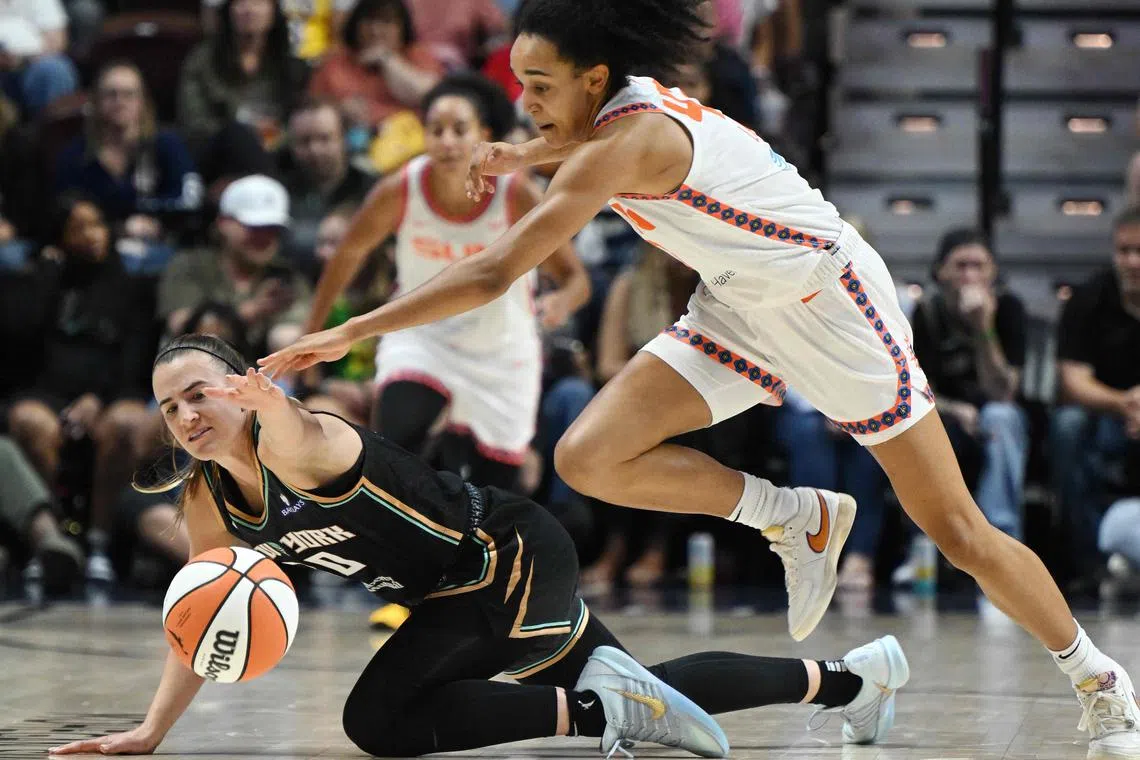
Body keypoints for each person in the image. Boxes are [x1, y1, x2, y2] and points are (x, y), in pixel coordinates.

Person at [259, 0, 1140, 753]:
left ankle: (1096, 676)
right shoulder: (613, 118)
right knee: (589, 455)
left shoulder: (631, 141)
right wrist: (525, 156)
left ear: (597, 78)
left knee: (957, 528)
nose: (524, 103)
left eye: (539, 88)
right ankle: (796, 517)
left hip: (829, 305)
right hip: (739, 304)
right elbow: (585, 150)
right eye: (520, 84)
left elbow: (498, 270)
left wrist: (354, 332)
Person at [47, 334, 908, 758]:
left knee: (376, 720)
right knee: (656, 691)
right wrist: (153, 731)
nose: (186, 417)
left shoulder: (293, 441)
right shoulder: (212, 503)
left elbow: (302, 426)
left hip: (507, 554)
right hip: (479, 588)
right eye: (169, 408)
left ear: (241, 389)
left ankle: (602, 714)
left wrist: (272, 401)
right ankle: (854, 680)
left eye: (199, 394)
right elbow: (202, 623)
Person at [304, 72, 590, 491]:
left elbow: (577, 279)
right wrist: (313, 333)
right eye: (436, 130)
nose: (447, 141)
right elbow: (347, 254)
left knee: (493, 496)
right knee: (393, 451)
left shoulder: (516, 195)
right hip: (422, 337)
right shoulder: (400, 189)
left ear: (486, 137)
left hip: (501, 349)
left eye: (460, 130)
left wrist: (562, 302)